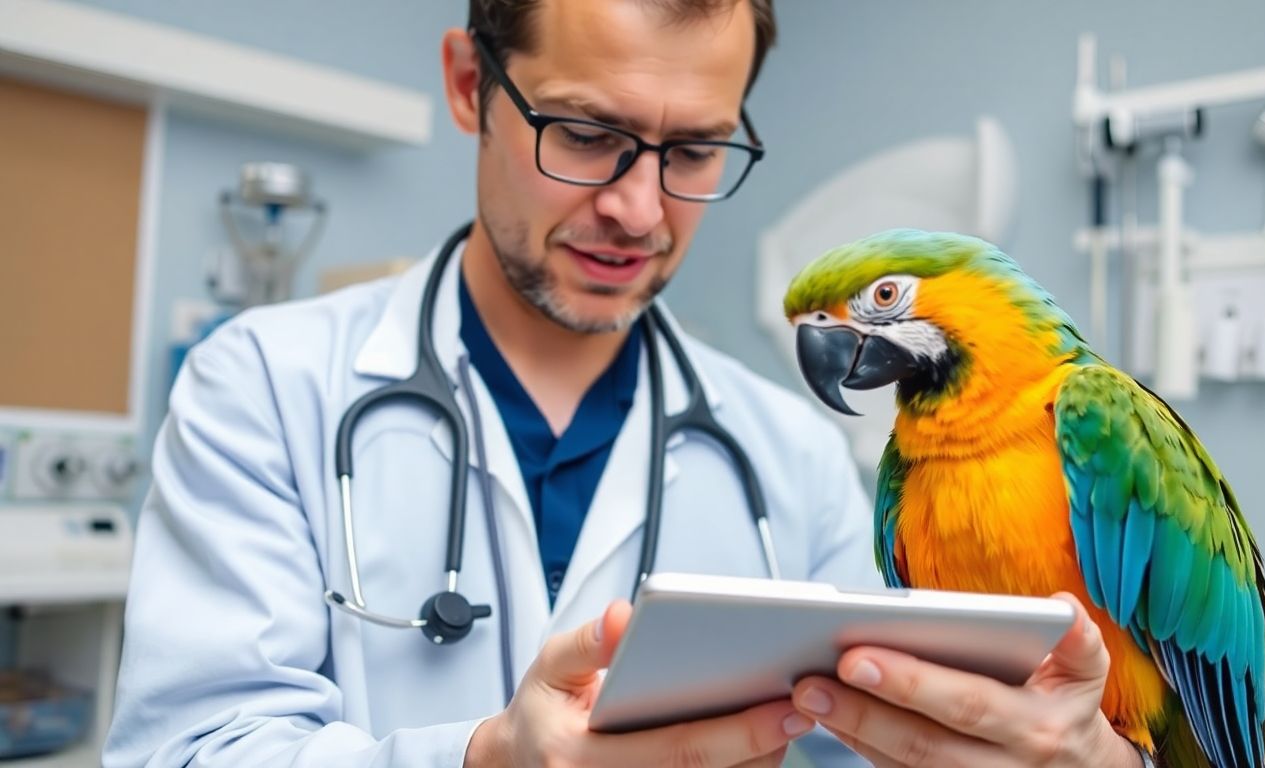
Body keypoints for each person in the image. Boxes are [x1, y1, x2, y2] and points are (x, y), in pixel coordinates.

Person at [104, 1, 1146, 766]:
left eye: (694, 151)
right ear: (471, 84)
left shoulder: (794, 460)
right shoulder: (262, 386)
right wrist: (484, 760)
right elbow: (187, 751)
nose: (639, 210)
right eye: (588, 136)